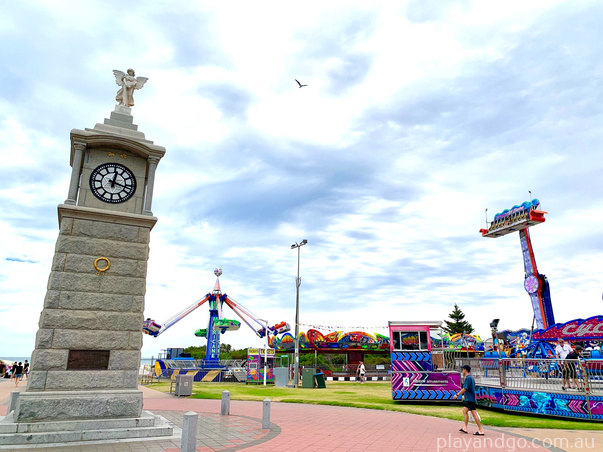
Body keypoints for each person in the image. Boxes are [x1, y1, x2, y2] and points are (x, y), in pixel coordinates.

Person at [453, 365, 484, 436]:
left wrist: (457, 394)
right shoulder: (471, 378)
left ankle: (480, 430)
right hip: (470, 398)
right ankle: (465, 428)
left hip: (469, 399)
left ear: (465, 370)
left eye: (463, 369)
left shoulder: (468, 378)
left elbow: (465, 388)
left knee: (473, 413)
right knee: (465, 411)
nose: (462, 371)